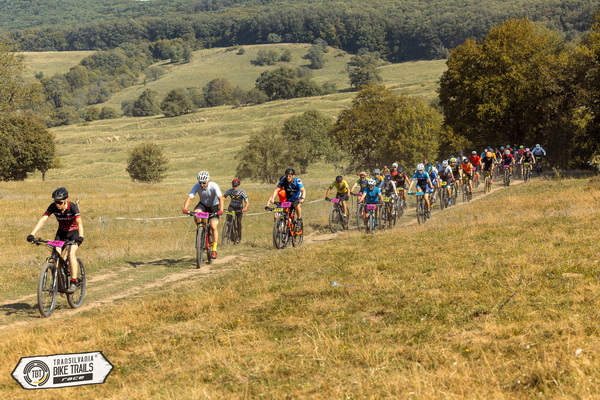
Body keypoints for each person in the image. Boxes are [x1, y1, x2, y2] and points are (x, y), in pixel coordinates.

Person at [27, 187, 84, 293]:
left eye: (60, 202)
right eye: (55, 202)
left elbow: (79, 222)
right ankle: (58, 282)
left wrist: (81, 236)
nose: (57, 205)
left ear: (66, 200)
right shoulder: (53, 206)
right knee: (55, 255)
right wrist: (32, 234)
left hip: (74, 234)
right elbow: (43, 219)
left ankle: (73, 281)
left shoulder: (73, 207)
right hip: (61, 233)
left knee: (71, 253)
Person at [182, 171, 224, 259]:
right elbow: (190, 197)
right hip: (203, 205)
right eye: (200, 183)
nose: (202, 185)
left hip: (214, 207)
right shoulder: (196, 186)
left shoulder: (214, 185)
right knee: (196, 213)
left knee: (213, 226)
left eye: (204, 183)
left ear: (208, 181)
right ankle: (201, 229)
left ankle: (214, 249)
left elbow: (220, 198)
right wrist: (185, 208)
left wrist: (221, 210)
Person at [223, 179, 249, 243]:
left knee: (238, 221)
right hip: (232, 206)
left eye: (236, 186)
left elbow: (247, 201)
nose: (234, 187)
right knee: (228, 218)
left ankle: (239, 237)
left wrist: (245, 207)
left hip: (239, 207)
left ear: (238, 185)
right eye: (233, 186)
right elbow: (223, 198)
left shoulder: (242, 192)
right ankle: (230, 232)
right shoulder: (229, 191)